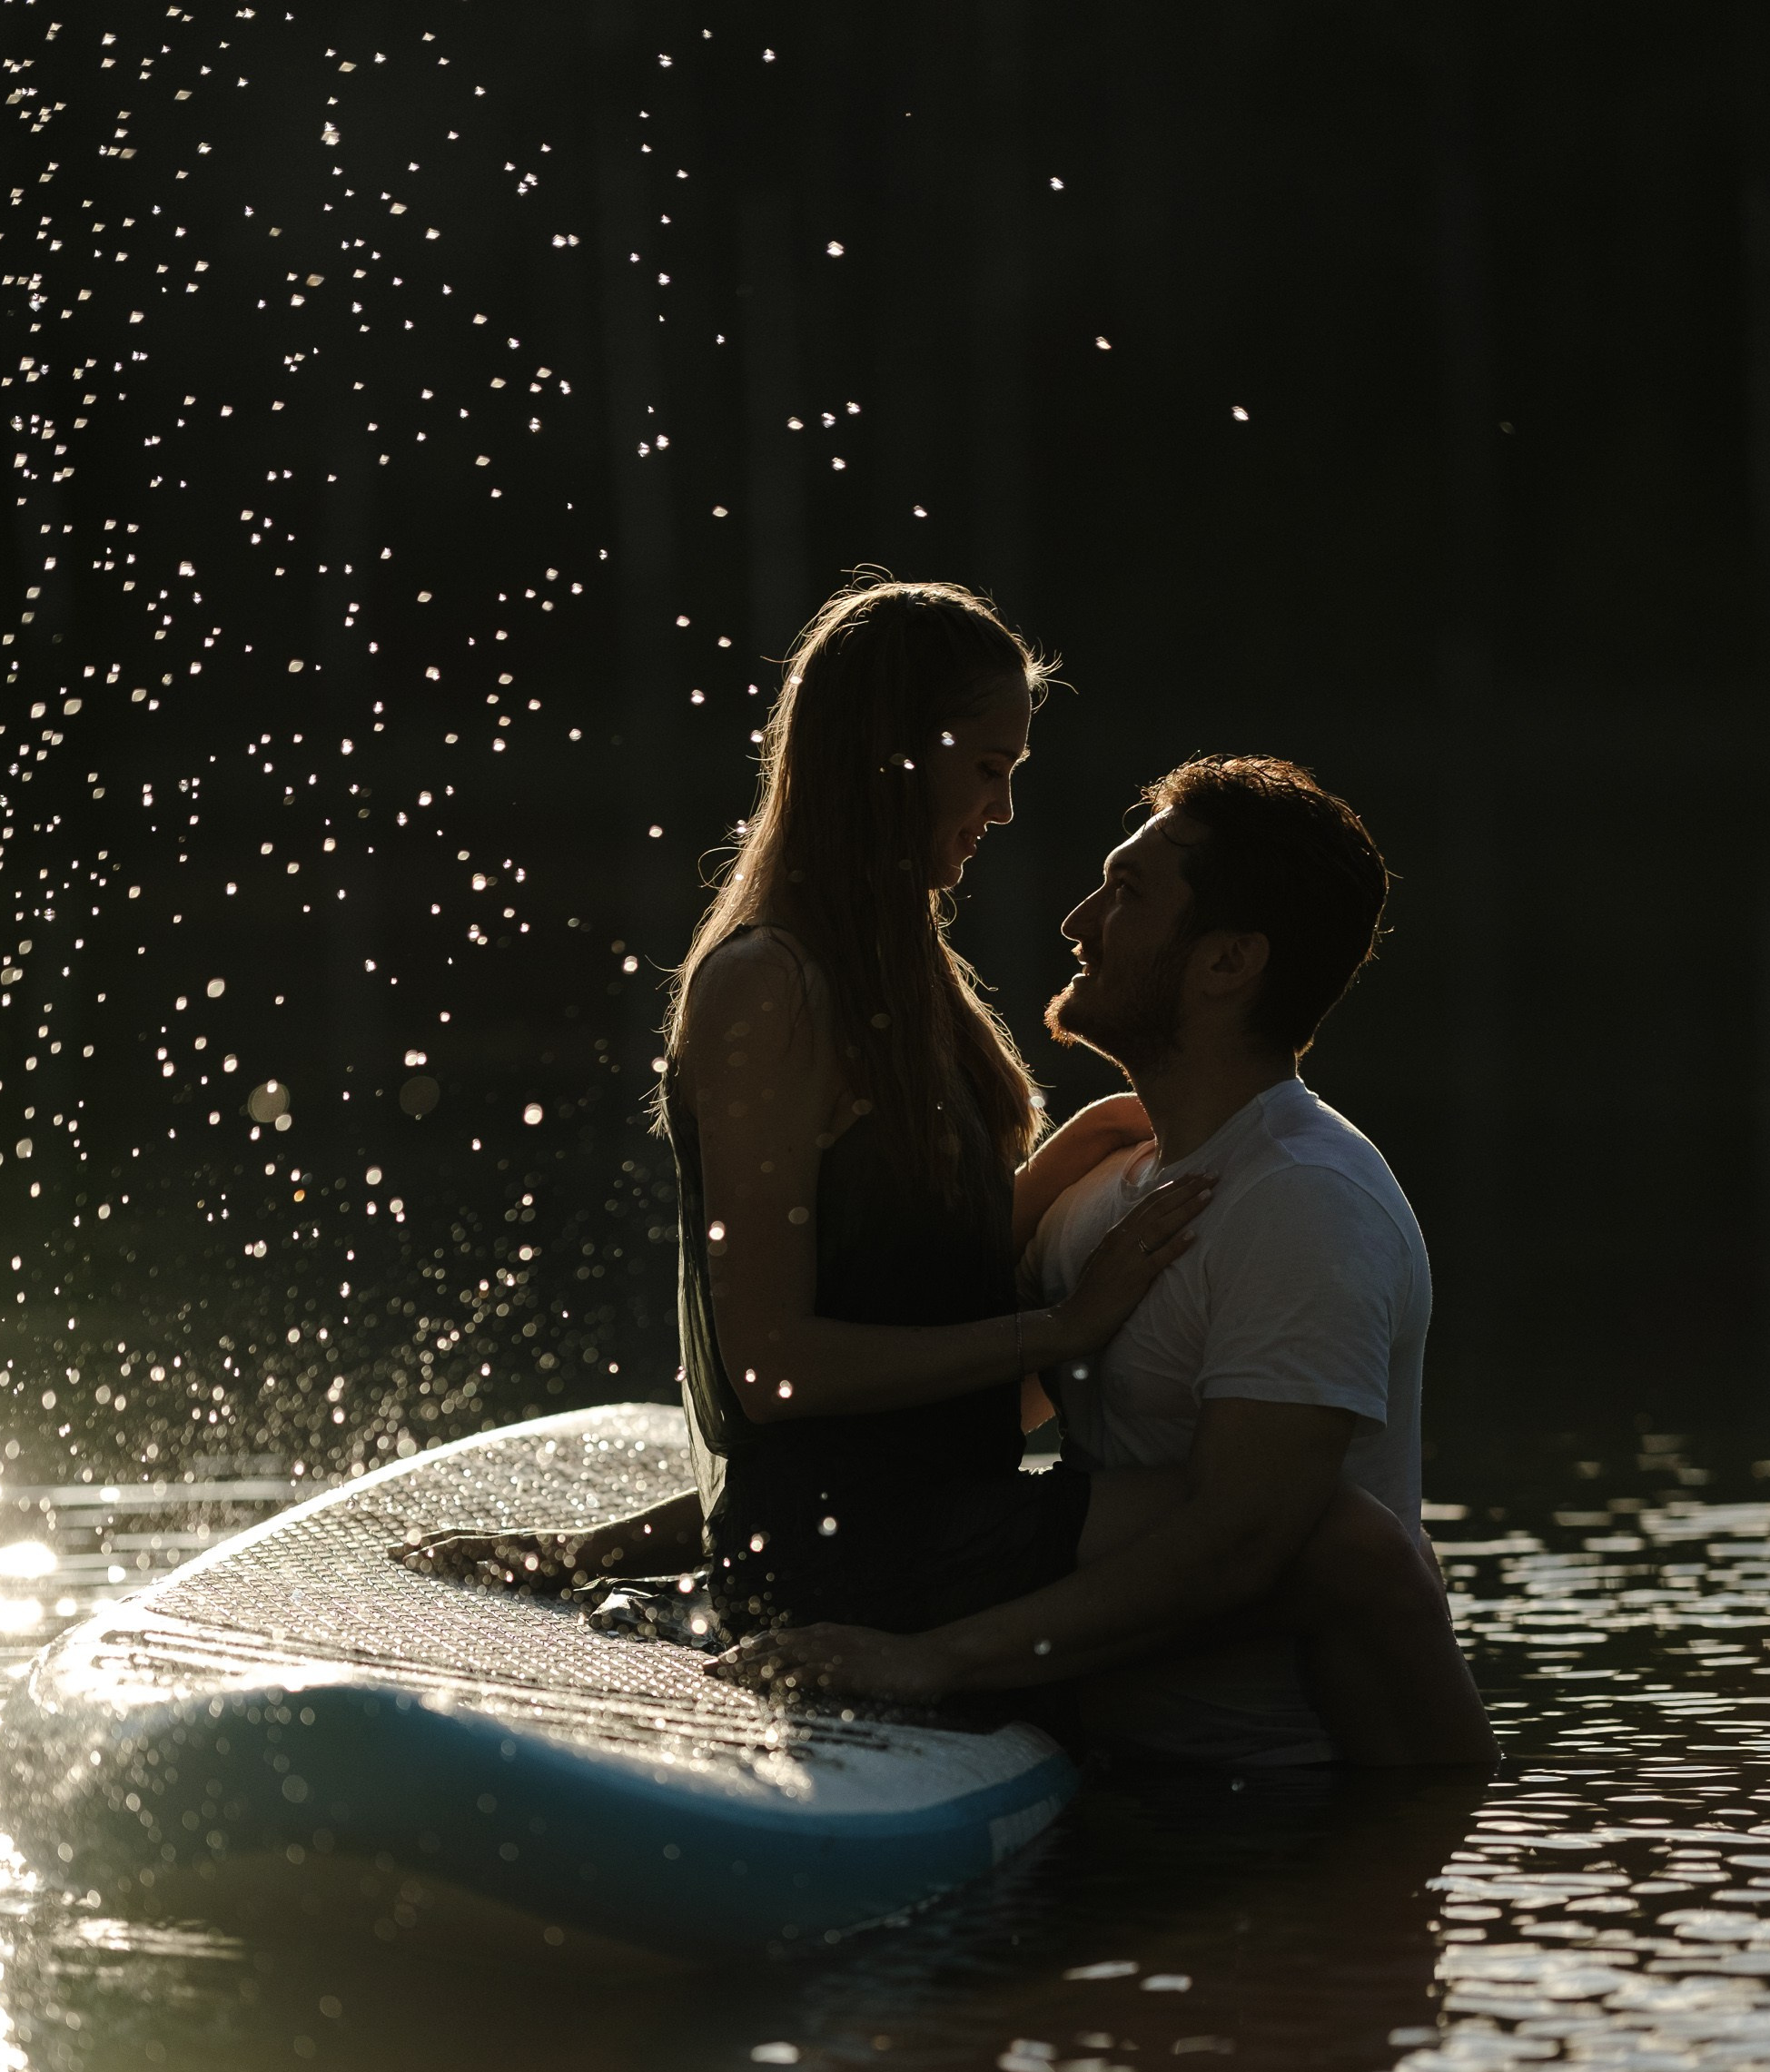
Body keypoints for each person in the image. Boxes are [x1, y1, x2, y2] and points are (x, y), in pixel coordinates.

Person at [402, 575, 1213, 1631]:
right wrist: (1062, 1326)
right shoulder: (769, 986)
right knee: (1284, 1522)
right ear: (892, 758)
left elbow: (902, 1275)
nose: (1003, 810)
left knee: (1275, 1509)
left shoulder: (906, 967)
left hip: (921, 1516)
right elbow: (773, 1372)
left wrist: (1081, 1153)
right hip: (849, 1565)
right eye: (987, 769)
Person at [707, 754, 1497, 1771]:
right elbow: (920, 1430)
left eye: (1126, 895)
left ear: (1226, 964)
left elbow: (1247, 1542)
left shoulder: (1303, 1204)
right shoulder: (1112, 1188)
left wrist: (931, 1661)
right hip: (1086, 1759)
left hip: (1265, 1803)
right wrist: (631, 1546)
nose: (1079, 919)